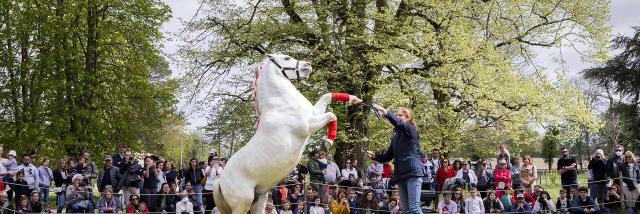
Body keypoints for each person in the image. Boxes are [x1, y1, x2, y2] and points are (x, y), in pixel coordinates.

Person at [366, 105, 425, 214]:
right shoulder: (395, 137)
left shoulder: (411, 130)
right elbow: (388, 156)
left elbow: (399, 123)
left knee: (414, 207)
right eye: (396, 115)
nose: (397, 117)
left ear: (408, 117)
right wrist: (375, 156)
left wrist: (386, 112)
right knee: (406, 210)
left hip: (413, 173)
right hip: (400, 175)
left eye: (400, 115)